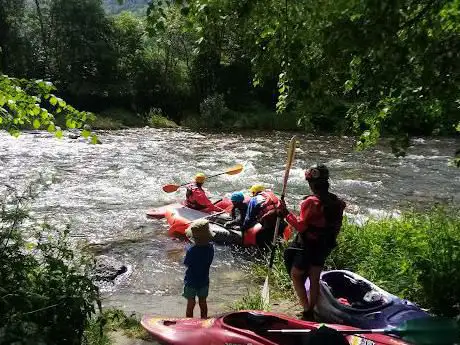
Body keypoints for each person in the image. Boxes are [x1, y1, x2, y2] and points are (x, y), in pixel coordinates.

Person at [279, 164, 346, 321]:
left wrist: (286, 213)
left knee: (296, 275)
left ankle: (306, 308)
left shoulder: (310, 202)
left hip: (308, 245)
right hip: (325, 245)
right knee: (314, 277)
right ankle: (313, 308)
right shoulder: (337, 202)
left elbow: (301, 227)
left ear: (312, 184)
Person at [183, 219, 215, 319]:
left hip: (191, 281)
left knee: (191, 303)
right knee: (203, 302)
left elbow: (187, 264)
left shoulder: (191, 250)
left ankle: (189, 321)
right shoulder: (211, 248)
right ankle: (204, 319)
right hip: (204, 280)